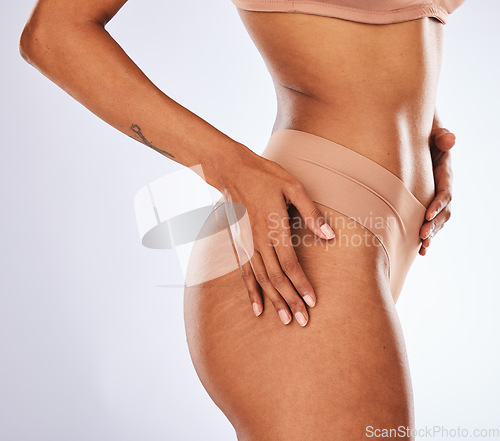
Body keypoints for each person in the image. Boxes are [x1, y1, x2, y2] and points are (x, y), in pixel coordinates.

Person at [19, 0, 460, 439]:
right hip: (301, 233)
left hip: (374, 226)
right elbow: (52, 34)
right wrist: (230, 167)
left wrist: (426, 128)